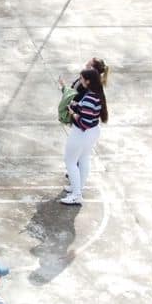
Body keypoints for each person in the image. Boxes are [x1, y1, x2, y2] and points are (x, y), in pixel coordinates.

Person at [60, 62, 109, 206]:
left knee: (70, 161)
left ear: (88, 81)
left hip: (82, 133)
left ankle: (76, 195)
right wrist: (75, 106)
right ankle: (77, 188)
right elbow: (86, 111)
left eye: (82, 79)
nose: (80, 81)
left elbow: (84, 123)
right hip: (92, 132)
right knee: (84, 159)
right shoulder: (97, 94)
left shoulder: (89, 98)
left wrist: (73, 113)